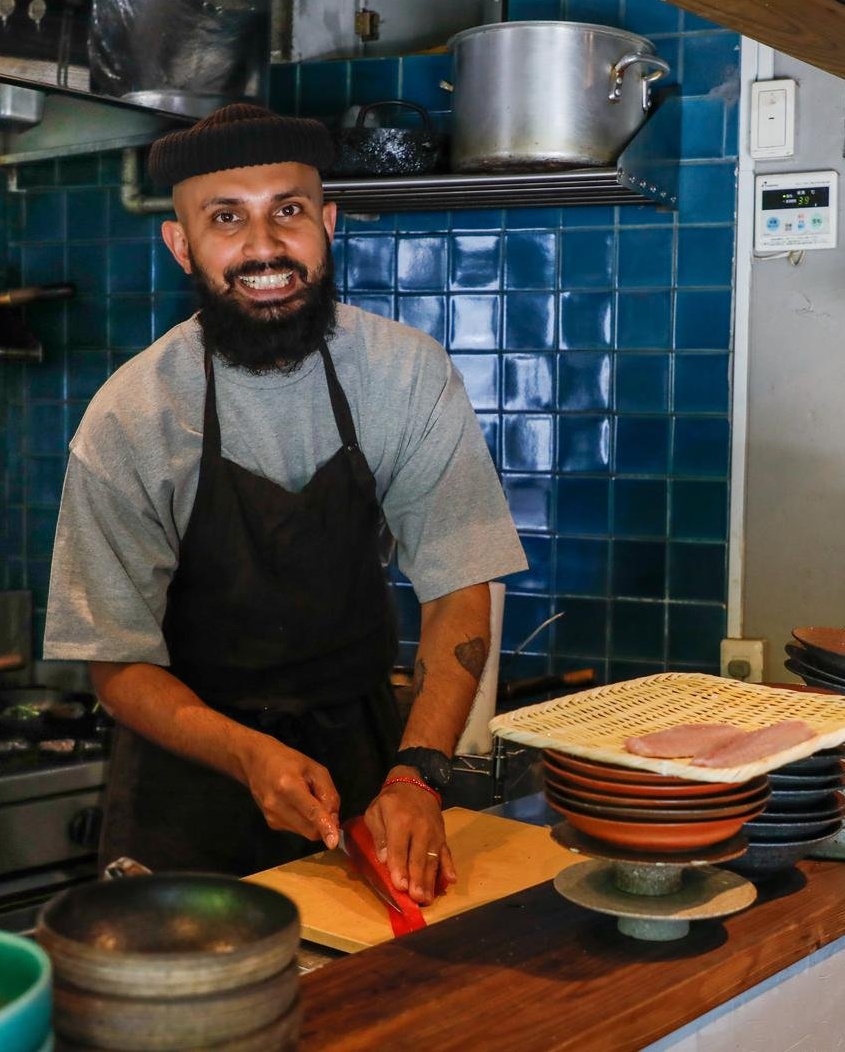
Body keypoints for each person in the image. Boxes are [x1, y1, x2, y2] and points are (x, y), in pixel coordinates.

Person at [43, 104, 526, 905]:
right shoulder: (130, 416)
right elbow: (116, 659)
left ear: (328, 223)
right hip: (187, 780)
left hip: (368, 768)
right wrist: (246, 753)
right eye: (226, 218)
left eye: (289, 211)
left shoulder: (405, 375)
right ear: (182, 243)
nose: (264, 247)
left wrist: (419, 775)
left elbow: (457, 589)